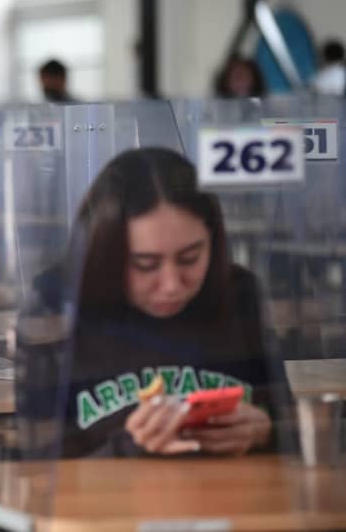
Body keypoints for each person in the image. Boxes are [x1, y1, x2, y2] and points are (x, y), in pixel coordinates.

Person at [25, 148, 280, 458]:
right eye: (145, 264)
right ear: (105, 255)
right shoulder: (55, 305)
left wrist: (266, 431)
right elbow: (37, 465)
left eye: (190, 258)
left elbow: (292, 425)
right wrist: (126, 447)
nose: (172, 285)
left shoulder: (240, 294)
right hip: (105, 503)